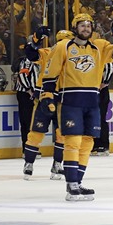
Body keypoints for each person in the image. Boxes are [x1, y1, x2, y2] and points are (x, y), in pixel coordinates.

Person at [38, 14, 113, 201]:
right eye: (82, 25)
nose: (86, 28)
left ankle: (78, 182)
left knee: (88, 142)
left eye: (89, 25)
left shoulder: (100, 47)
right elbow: (50, 74)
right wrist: (47, 96)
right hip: (71, 100)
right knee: (73, 141)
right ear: (75, 27)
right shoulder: (63, 47)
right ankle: (71, 185)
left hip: (92, 101)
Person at [22, 28, 75, 180]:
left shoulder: (49, 52)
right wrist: (36, 39)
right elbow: (31, 54)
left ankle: (29, 164)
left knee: (37, 132)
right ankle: (56, 165)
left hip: (46, 95)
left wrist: (36, 38)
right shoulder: (66, 53)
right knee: (61, 134)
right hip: (58, 97)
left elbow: (31, 54)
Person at [91, 62, 113, 156]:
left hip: (101, 92)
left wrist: (105, 82)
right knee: (91, 118)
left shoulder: (103, 54)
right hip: (91, 91)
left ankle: (103, 144)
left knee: (101, 118)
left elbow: (110, 67)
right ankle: (94, 144)